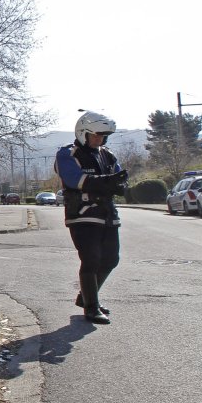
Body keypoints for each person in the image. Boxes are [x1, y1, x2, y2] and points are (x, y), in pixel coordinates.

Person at [55, 110, 128, 325]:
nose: (100, 140)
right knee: (91, 259)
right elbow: (74, 179)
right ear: (82, 133)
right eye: (96, 135)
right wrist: (106, 182)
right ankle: (91, 307)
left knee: (111, 259)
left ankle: (86, 297)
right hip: (83, 214)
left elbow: (119, 176)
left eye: (103, 136)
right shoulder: (68, 153)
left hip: (107, 213)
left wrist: (121, 184)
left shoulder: (107, 154)